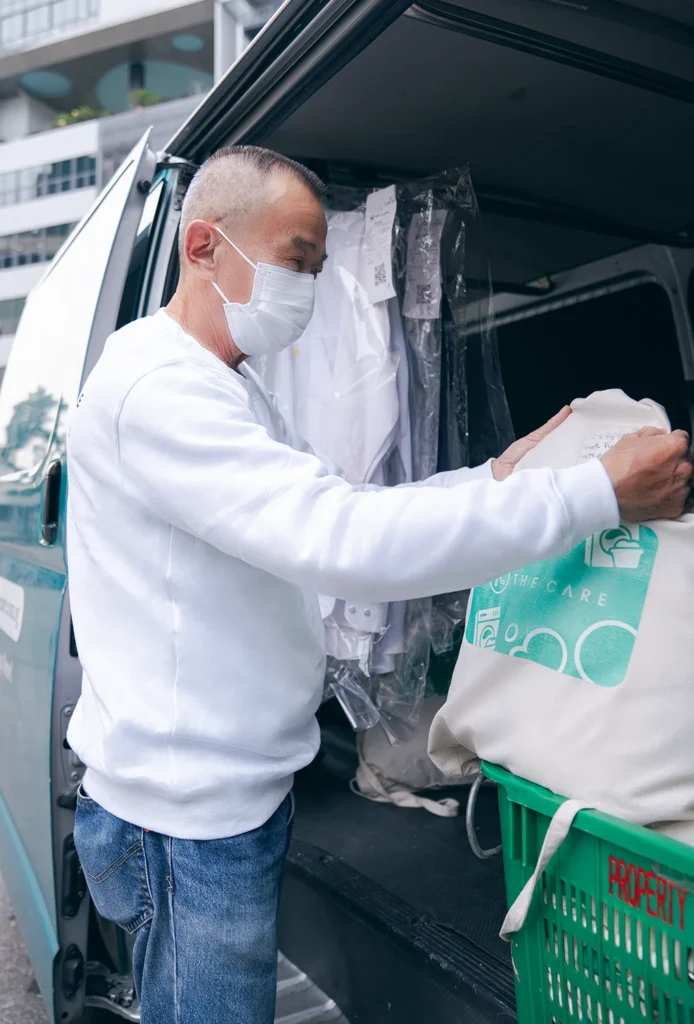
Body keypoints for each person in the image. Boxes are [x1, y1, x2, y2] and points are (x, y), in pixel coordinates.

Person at [66, 145, 691, 1024]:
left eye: (319, 268)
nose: (308, 289)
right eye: (296, 261)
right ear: (203, 245)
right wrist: (593, 495)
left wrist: (498, 477)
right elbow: (344, 540)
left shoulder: (228, 385)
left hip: (227, 802)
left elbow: (346, 503)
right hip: (188, 827)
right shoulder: (161, 390)